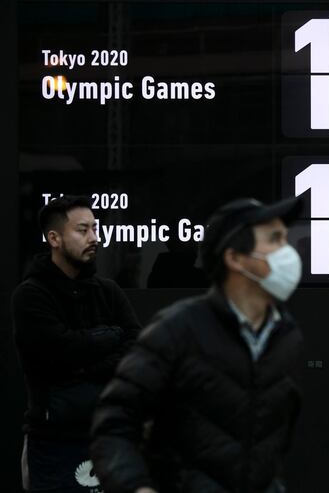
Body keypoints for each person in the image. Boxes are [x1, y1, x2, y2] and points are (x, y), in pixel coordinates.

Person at [91, 196, 305, 493]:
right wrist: (136, 488)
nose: (287, 251)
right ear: (234, 258)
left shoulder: (286, 337)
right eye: (274, 239)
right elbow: (114, 423)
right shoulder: (177, 328)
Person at [12, 195, 141, 492]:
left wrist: (83, 367)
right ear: (54, 238)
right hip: (54, 440)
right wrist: (109, 337)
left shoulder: (108, 291)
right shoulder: (31, 295)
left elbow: (137, 350)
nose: (94, 237)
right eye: (83, 230)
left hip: (111, 435)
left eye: (95, 229)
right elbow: (57, 353)